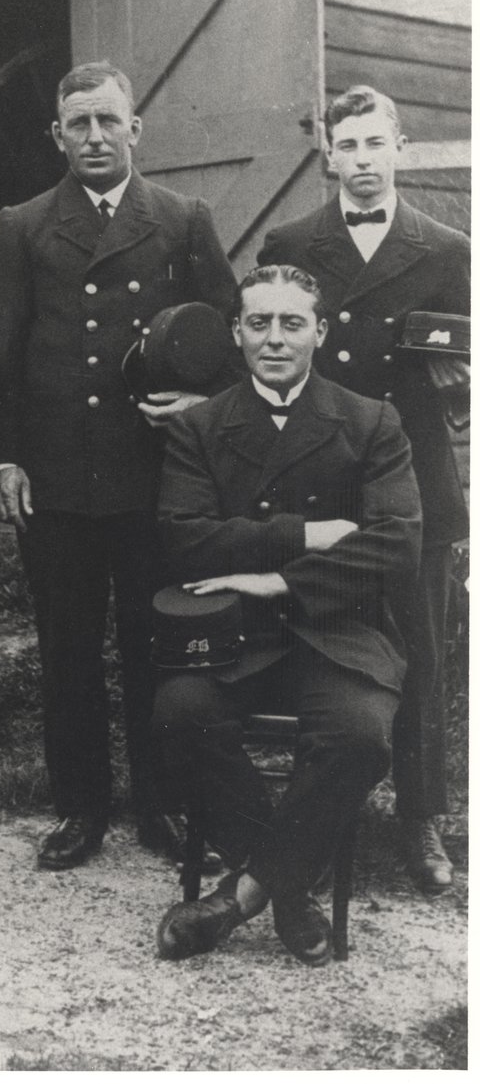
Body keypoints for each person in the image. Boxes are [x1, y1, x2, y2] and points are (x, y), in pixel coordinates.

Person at [0, 60, 237, 870]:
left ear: (136, 128)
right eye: (78, 124)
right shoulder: (23, 225)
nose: (95, 137)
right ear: (57, 135)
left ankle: (160, 801)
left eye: (108, 121)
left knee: (154, 641)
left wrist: (202, 410)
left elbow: (230, 341)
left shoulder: (181, 218)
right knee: (66, 646)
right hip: (56, 478)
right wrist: (3, 457)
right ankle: (81, 806)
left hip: (154, 474)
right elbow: (1, 353)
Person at [152, 265, 422, 967]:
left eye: (292, 322)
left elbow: (396, 543)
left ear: (321, 332)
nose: (275, 338)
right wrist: (304, 534)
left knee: (361, 735)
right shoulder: (201, 425)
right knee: (179, 712)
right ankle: (287, 882)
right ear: (237, 333)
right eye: (260, 322)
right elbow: (183, 535)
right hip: (235, 636)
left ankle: (240, 895)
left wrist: (277, 579)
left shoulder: (371, 421)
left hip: (340, 631)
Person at [258, 86, 469, 894]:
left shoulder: (449, 248)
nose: (364, 160)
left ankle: (421, 818)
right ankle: (324, 809)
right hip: (324, 479)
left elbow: (465, 382)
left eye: (377, 143)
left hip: (414, 484)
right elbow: (269, 353)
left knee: (419, 654)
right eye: (348, 146)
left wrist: (459, 386)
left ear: (402, 148)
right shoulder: (292, 240)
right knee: (320, 641)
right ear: (329, 156)